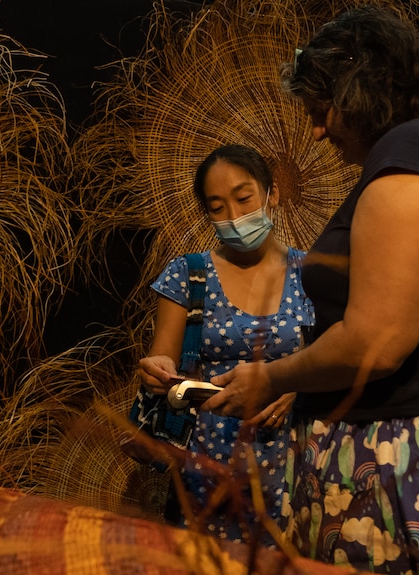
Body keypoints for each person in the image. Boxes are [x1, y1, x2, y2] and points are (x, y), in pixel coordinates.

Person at [202, 7, 419, 574]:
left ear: (360, 90)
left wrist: (271, 377)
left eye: (323, 112)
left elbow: (379, 338)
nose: (319, 132)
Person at [136, 143, 314, 545]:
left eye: (243, 198)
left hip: (294, 466)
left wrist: (295, 385)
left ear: (272, 194)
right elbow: (164, 357)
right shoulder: (188, 274)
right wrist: (157, 370)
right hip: (207, 469)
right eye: (217, 207)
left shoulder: (313, 275)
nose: (234, 217)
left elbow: (340, 358)